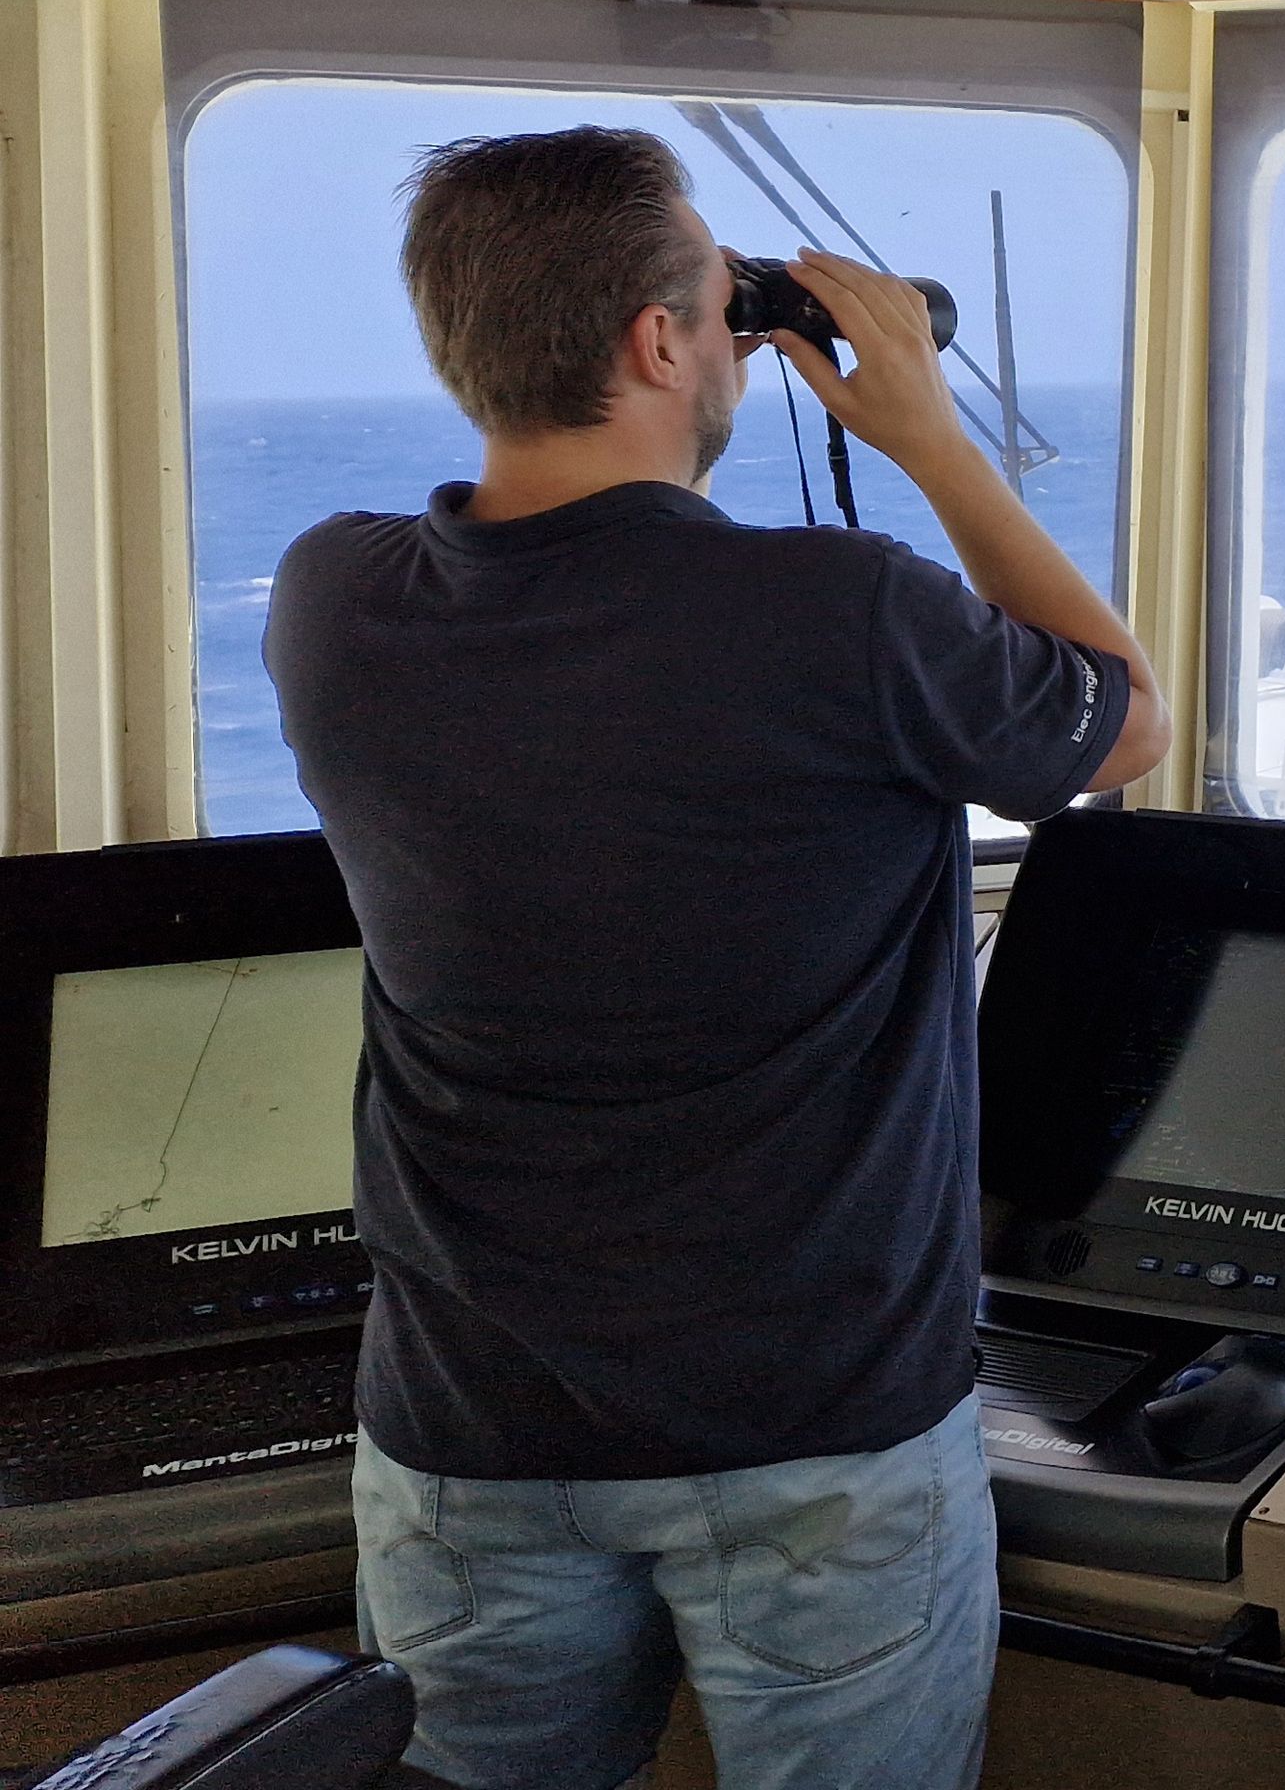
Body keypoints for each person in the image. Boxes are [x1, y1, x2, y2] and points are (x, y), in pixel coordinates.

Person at [267, 127, 1166, 1790]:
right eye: (711, 290)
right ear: (664, 342)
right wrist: (927, 437)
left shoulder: (332, 600)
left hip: (471, 1425)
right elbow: (1122, 720)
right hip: (815, 1432)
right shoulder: (843, 615)